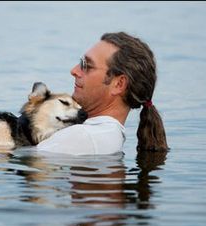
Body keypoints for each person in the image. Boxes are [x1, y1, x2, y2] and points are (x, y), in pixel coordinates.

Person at [37, 32, 169, 155]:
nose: (74, 70)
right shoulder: (107, 135)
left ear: (119, 84)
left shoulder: (83, 137)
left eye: (87, 66)